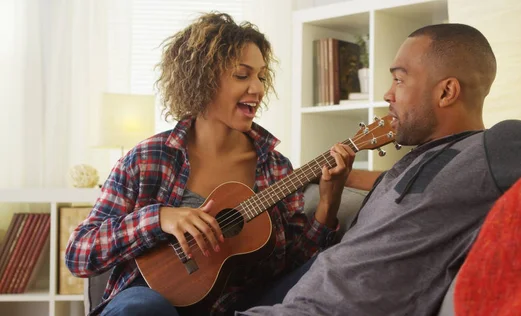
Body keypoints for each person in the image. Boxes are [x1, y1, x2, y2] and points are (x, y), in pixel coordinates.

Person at [237, 23, 521, 316]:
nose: (387, 94)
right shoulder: (413, 163)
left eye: (399, 79)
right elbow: (412, 190)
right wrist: (332, 182)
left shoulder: (498, 145)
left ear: (446, 93)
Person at [64, 12, 355, 316]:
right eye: (242, 75)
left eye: (262, 76)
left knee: (325, 278)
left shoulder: (275, 166)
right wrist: (159, 218)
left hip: (243, 305)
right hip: (150, 302)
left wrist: (328, 201)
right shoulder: (149, 158)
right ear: (202, 79)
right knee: (143, 308)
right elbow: (79, 254)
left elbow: (295, 266)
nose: (257, 88)